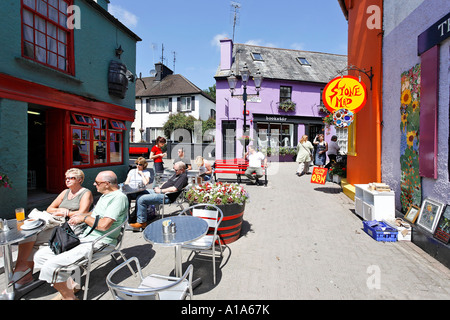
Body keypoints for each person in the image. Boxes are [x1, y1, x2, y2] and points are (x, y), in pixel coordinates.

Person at [34, 170, 128, 300]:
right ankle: (72, 284)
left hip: (101, 241)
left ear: (106, 183)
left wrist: (83, 219)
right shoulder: (105, 195)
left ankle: (69, 297)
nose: (94, 184)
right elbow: (94, 215)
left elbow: (104, 225)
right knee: (40, 256)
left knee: (51, 265)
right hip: (85, 236)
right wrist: (81, 215)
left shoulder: (118, 198)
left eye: (97, 182)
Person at [10, 168, 93, 289]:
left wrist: (66, 212)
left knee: (30, 238)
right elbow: (50, 209)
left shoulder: (85, 193)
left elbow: (82, 213)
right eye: (66, 178)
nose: (67, 180)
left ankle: (22, 273)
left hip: (69, 228)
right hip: (56, 224)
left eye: (71, 178)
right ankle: (23, 272)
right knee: (30, 234)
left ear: (80, 180)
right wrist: (60, 210)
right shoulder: (65, 192)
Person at [130, 162, 188, 230]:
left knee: (141, 199)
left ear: (182, 170)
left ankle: (142, 223)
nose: (174, 171)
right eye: (174, 169)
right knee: (140, 192)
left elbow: (174, 189)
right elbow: (167, 182)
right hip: (160, 191)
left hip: (166, 196)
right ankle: (135, 216)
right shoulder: (177, 174)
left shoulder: (183, 177)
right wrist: (159, 187)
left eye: (176, 170)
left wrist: (160, 191)